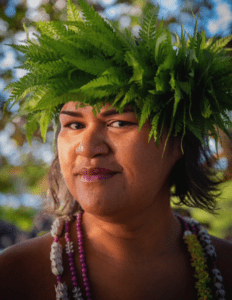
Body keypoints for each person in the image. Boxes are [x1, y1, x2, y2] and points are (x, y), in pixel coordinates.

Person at [1, 0, 232, 299]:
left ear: (179, 142)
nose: (87, 146)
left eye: (120, 123)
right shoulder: (14, 277)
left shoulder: (226, 270)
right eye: (73, 125)